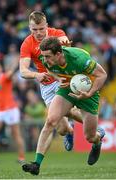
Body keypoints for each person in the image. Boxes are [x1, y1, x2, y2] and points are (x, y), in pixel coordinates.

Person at [22, 37, 107, 175]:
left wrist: (89, 93)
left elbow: (102, 75)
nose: (45, 60)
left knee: (90, 137)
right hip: (67, 88)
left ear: (59, 54)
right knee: (50, 121)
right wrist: (57, 78)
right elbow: (49, 69)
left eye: (48, 56)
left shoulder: (79, 59)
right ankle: (36, 164)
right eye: (43, 56)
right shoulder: (46, 59)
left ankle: (97, 141)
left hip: (88, 93)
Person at [19, 11, 82, 152]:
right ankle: (70, 132)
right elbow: (23, 71)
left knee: (68, 111)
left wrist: (66, 46)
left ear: (46, 25)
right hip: (46, 84)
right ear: (30, 28)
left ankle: (95, 128)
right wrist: (36, 75)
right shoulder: (27, 44)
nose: (39, 32)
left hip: (62, 78)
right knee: (61, 129)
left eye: (42, 28)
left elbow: (65, 43)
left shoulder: (57, 33)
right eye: (35, 29)